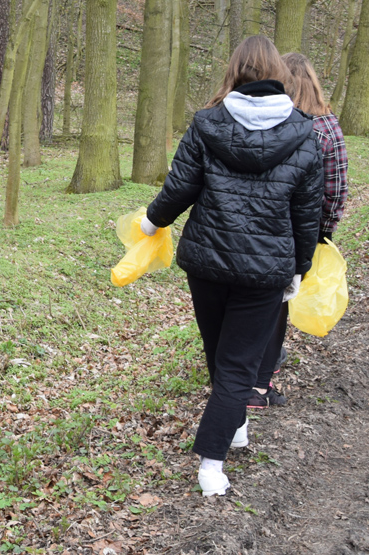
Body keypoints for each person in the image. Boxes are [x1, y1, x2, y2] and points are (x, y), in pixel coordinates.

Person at [139, 36, 323, 496]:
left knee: (220, 353)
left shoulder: (207, 123)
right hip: (265, 269)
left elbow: (179, 188)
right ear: (277, 73)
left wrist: (150, 221)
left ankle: (226, 435)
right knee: (237, 361)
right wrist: (300, 267)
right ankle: (213, 463)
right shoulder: (303, 132)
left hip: (208, 262)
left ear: (234, 71)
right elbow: (308, 213)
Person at [248, 52, 349, 409]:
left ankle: (242, 374)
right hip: (298, 232)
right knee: (279, 303)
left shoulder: (265, 122)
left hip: (258, 227)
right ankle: (259, 385)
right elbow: (336, 188)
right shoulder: (326, 126)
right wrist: (324, 233)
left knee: (254, 299)